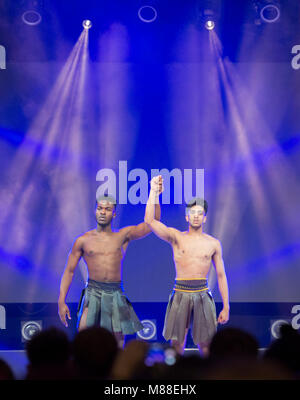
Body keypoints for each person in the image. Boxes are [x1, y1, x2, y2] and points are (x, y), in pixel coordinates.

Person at [58, 193, 161, 348]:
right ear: (95, 211)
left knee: (117, 342)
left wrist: (154, 194)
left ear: (114, 213)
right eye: (100, 208)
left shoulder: (122, 235)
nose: (102, 212)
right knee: (83, 338)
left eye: (107, 209)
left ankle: (115, 371)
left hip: (115, 293)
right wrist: (61, 300)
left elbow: (152, 224)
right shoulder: (83, 240)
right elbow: (69, 271)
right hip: (93, 291)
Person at [144, 176, 229, 356]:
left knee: (206, 344)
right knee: (177, 343)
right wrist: (153, 192)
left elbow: (221, 275)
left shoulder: (213, 243)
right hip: (180, 293)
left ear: (205, 218)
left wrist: (226, 306)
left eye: (200, 213)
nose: (196, 216)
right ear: (187, 216)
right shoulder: (176, 237)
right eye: (193, 212)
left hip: (203, 293)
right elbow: (150, 221)